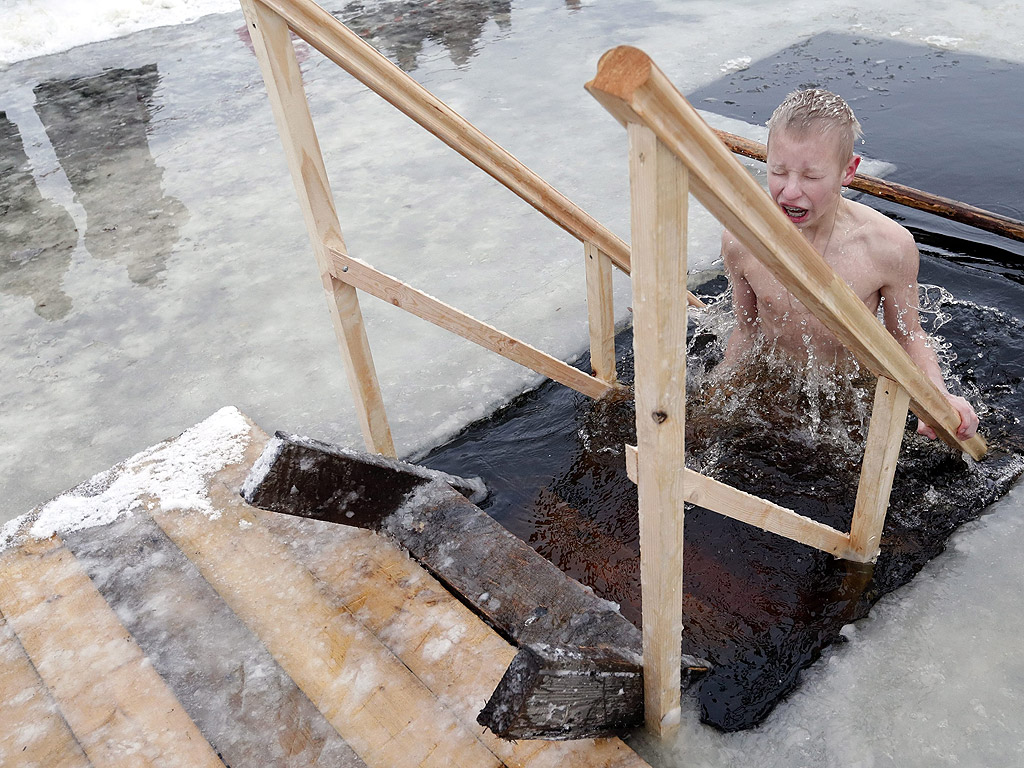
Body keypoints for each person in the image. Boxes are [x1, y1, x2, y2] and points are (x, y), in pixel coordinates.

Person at [720, 88, 979, 440]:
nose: (790, 192)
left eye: (811, 177)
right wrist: (718, 392)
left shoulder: (887, 247)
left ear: (848, 171)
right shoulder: (742, 239)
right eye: (778, 171)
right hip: (778, 384)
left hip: (853, 395)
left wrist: (938, 396)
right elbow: (748, 329)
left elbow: (906, 334)